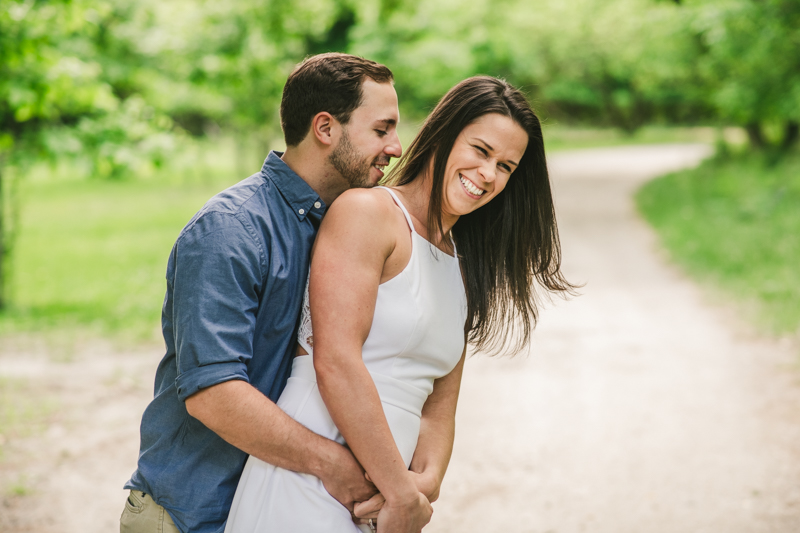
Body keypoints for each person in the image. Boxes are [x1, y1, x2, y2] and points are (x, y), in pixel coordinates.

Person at [224, 76, 575, 533]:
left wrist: (422, 487)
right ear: (444, 135)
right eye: (481, 151)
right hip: (313, 483)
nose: (488, 175)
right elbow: (336, 361)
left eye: (506, 167)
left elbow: (439, 408)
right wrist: (398, 489)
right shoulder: (367, 213)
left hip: (384, 506)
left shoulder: (461, 262)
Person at [120, 53, 408, 533]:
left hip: (274, 510)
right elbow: (213, 394)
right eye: (382, 130)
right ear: (325, 128)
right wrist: (335, 466)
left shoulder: (349, 231)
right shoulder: (229, 230)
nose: (396, 148)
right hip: (193, 515)